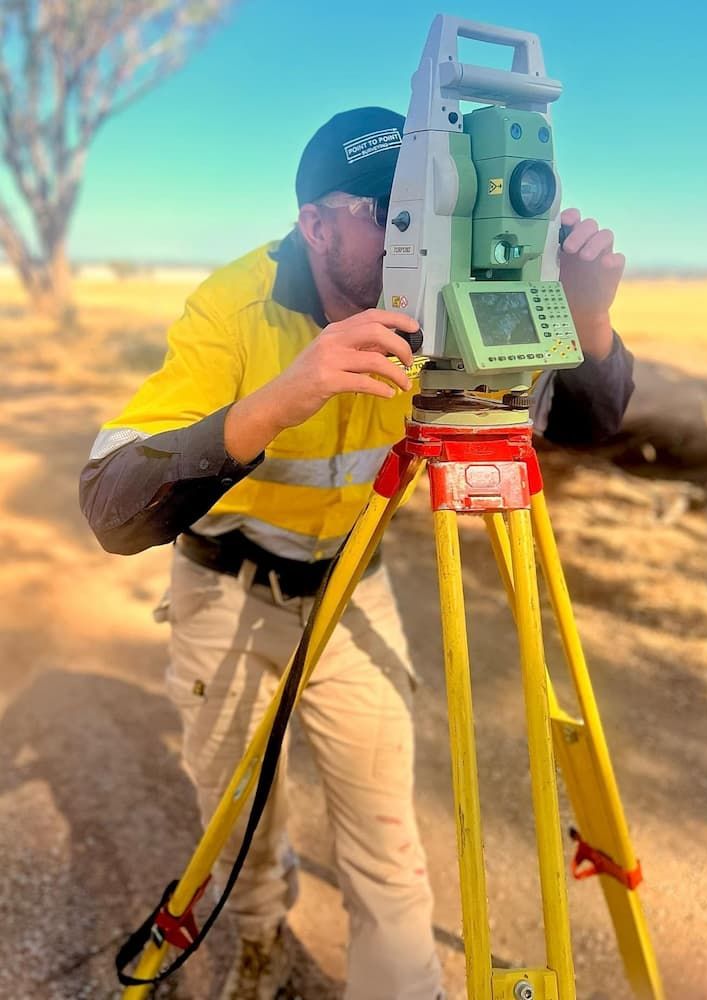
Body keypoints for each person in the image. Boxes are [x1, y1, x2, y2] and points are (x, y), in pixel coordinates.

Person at [79, 106, 633, 1000]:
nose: (413, 231)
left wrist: (588, 318)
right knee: (237, 817)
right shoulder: (235, 305)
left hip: (349, 587)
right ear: (315, 222)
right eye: (387, 208)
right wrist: (277, 400)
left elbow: (584, 422)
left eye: (429, 204)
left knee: (386, 842)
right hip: (225, 588)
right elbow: (113, 507)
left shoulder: (440, 303)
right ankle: (256, 938)